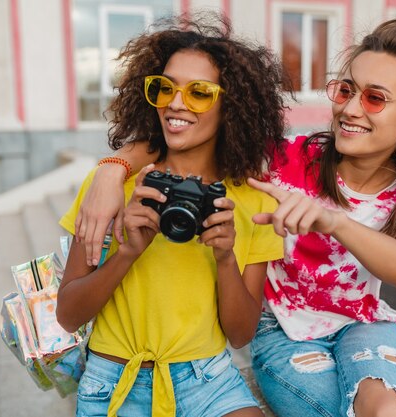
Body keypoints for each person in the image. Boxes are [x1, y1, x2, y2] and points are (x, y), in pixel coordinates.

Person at [75, 13, 396, 417]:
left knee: (390, 411)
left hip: (363, 322)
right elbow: (190, 135)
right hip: (283, 328)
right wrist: (112, 167)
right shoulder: (289, 159)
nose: (352, 109)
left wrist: (333, 220)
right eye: (345, 90)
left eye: (375, 98)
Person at [56, 14, 288, 417]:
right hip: (114, 381)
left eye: (199, 92)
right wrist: (127, 253)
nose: (176, 104)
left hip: (209, 380)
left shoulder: (251, 202)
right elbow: (68, 314)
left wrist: (225, 257)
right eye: (165, 88)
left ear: (229, 105)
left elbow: (239, 334)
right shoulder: (113, 188)